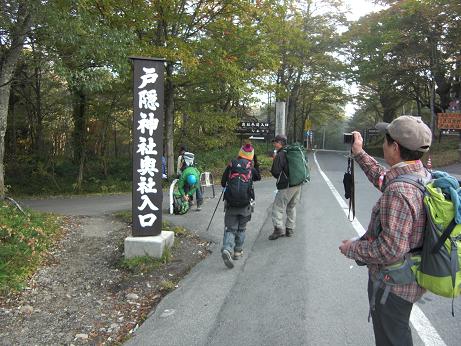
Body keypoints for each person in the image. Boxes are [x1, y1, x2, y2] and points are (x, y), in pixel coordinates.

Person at [339, 115, 432, 346]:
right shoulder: (420, 176)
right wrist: (359, 153)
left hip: (393, 285)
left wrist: (353, 248)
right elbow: (384, 179)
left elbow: (390, 248)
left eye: (385, 140)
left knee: (392, 339)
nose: (383, 144)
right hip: (410, 277)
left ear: (395, 147)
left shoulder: (399, 191)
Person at [220, 143, 261, 268]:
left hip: (231, 204)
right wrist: (255, 163)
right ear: (251, 156)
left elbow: (222, 183)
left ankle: (227, 248)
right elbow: (258, 177)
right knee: (241, 228)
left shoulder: (231, 165)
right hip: (245, 204)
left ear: (240, 153)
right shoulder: (250, 168)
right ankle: (238, 251)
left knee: (230, 228)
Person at [268, 134, 302, 240]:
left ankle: (278, 229)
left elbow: (275, 171)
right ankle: (290, 229)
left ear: (280, 143)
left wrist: (280, 178)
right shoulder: (292, 152)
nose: (274, 144)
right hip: (298, 183)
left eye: (275, 142)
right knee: (291, 206)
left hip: (287, 185)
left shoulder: (281, 154)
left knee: (278, 207)